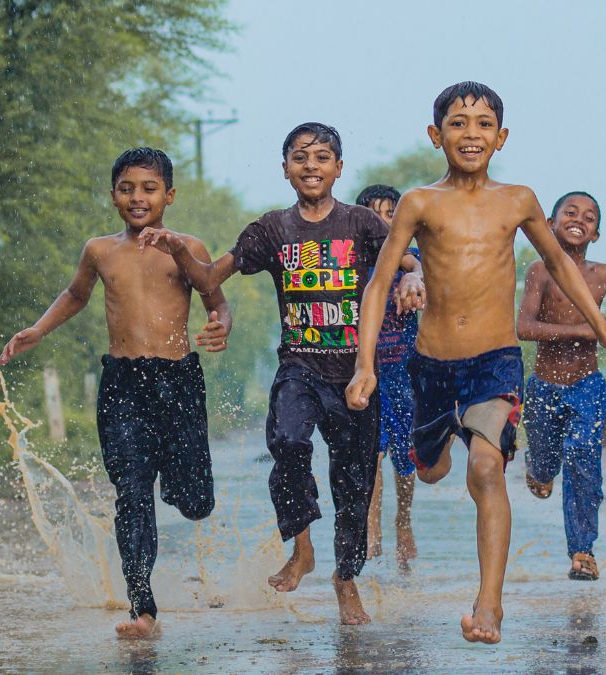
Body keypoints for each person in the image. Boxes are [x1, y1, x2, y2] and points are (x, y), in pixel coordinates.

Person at [345, 82, 606, 644]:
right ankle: (448, 435)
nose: (471, 133)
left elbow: (563, 268)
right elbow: (381, 283)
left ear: (501, 136)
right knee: (429, 471)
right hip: (430, 364)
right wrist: (366, 366)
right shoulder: (419, 203)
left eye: (483, 124)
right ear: (436, 135)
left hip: (495, 363)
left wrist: (605, 332)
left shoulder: (519, 200)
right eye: (458, 123)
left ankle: (489, 607)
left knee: (484, 469)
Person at [136, 123, 421, 625]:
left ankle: (345, 579)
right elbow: (207, 278)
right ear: (285, 168)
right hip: (300, 367)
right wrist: (177, 248)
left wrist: (411, 280)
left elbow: (409, 260)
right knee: (287, 443)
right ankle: (303, 547)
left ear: (339, 168)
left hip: (356, 372)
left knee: (353, 483)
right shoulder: (271, 230)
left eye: (323, 156)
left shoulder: (363, 225)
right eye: (300, 157)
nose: (311, 165)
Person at [0, 147, 231, 638]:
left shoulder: (189, 247)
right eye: (127, 188)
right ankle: (141, 605)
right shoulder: (100, 250)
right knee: (131, 492)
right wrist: (38, 331)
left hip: (178, 381)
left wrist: (219, 326)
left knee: (194, 502)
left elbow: (216, 300)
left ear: (170, 194)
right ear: (113, 197)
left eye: (149, 188)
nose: (137, 197)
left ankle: (176, 482)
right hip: (123, 383)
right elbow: (76, 295)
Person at [516, 190, 606, 582]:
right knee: (548, 462)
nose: (580, 219)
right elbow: (525, 327)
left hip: (588, 385)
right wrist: (585, 328)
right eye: (570, 212)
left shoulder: (603, 274)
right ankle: (539, 469)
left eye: (590, 216)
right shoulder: (540, 271)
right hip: (545, 388)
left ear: (596, 233)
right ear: (550, 223)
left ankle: (582, 551)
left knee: (583, 456)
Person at [355, 184, 420, 568]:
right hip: (367, 370)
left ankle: (404, 520)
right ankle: (372, 523)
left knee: (404, 456)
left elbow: (423, 272)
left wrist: (418, 279)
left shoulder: (410, 261)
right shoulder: (354, 264)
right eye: (372, 213)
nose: (381, 220)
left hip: (405, 374)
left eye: (389, 212)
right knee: (372, 453)